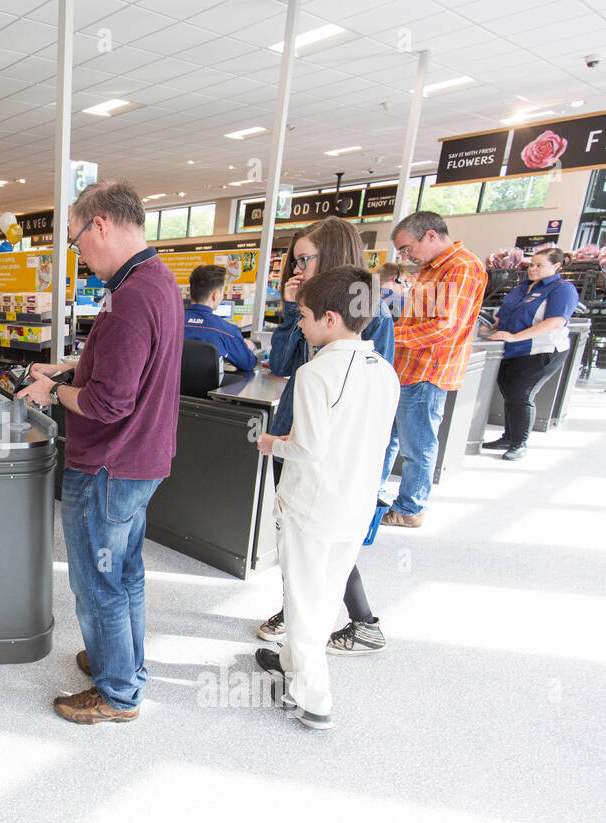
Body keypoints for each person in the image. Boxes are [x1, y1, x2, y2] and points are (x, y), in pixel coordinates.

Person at [16, 181, 183, 725]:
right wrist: (67, 370)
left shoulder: (132, 297)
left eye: (75, 240)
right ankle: (124, 664)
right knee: (127, 571)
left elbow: (109, 403)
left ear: (101, 225)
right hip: (143, 458)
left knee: (97, 581)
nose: (78, 253)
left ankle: (116, 693)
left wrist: (50, 391)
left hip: (110, 462)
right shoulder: (155, 280)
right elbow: (120, 368)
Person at [255, 266, 400, 730]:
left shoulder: (318, 373)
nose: (300, 323)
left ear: (331, 318)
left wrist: (270, 444)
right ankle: (295, 664)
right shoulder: (385, 371)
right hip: (355, 503)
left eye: (304, 315)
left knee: (303, 598)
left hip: (313, 504)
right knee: (325, 590)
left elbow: (306, 447)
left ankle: (311, 694)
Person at [381, 211, 486, 527]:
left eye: (406, 248)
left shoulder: (462, 268)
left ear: (429, 235)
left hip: (428, 372)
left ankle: (410, 509)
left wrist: (389, 336)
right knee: (389, 439)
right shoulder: (430, 269)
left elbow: (445, 327)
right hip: (406, 369)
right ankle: (370, 494)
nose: (405, 256)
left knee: (418, 446)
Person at [480, 248, 578, 461]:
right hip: (513, 349)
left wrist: (515, 337)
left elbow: (555, 322)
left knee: (521, 394)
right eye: (531, 265)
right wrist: (491, 328)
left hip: (541, 350)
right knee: (509, 392)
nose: (532, 269)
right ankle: (508, 436)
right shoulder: (523, 287)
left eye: (539, 265)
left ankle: (519, 443)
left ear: (556, 266)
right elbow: (504, 316)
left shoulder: (562, 289)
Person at [183, 264, 256, 370]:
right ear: (215, 295)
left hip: (173, 385)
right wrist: (248, 349)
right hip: (213, 386)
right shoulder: (227, 331)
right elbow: (248, 363)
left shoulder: (171, 324)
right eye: (223, 292)